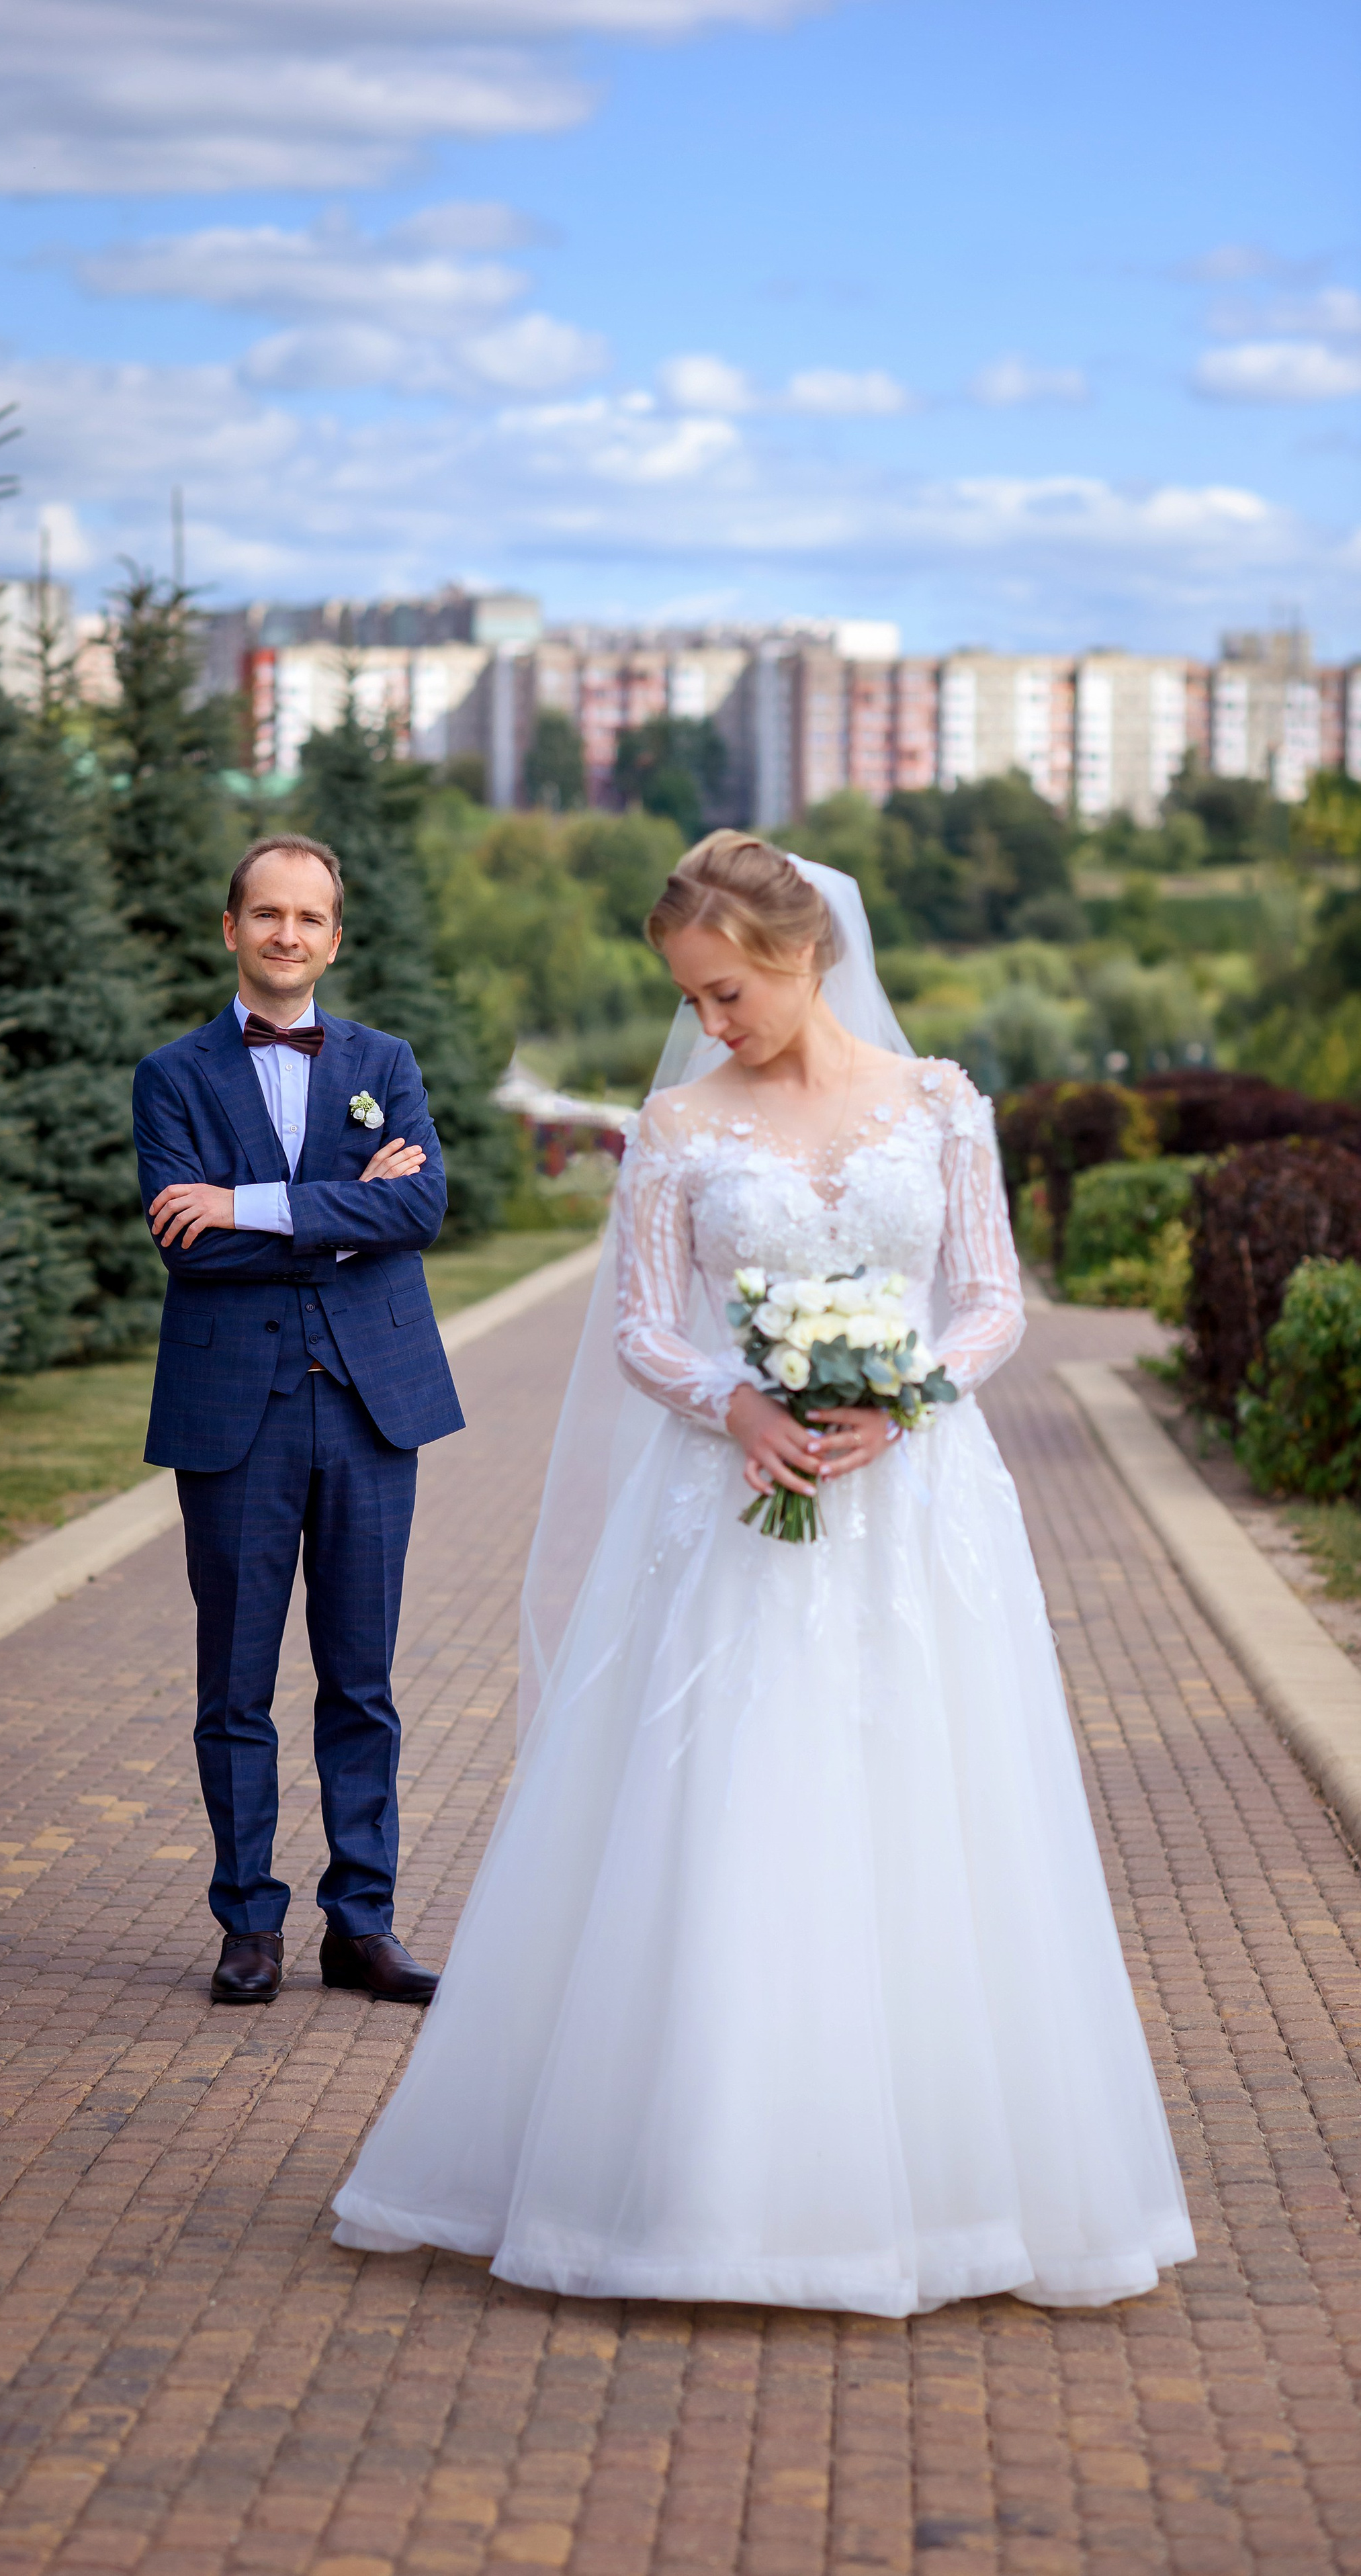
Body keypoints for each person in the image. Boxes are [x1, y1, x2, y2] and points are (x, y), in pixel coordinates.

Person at [332, 832, 1195, 2313]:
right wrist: (735, 1399)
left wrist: (905, 1386)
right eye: (691, 997)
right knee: (723, 1809)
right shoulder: (674, 1124)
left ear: (804, 957)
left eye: (727, 992)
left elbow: (991, 1299)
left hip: (910, 1506)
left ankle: (937, 2188)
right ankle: (696, 2181)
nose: (711, 1020)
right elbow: (641, 1330)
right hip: (725, 1500)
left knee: (922, 1813)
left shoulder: (937, 1106)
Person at [133, 833, 463, 2008]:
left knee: (361, 1681)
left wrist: (252, 1203)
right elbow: (192, 1247)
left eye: (309, 917)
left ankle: (359, 1925)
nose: (287, 935)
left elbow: (419, 1206)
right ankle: (249, 1927)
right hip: (235, 1417)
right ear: (232, 930)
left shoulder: (386, 1059)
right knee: (235, 1687)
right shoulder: (171, 1077)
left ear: (335, 935)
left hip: (374, 1406)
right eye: (265, 915)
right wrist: (338, 1210)